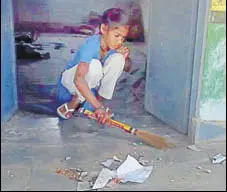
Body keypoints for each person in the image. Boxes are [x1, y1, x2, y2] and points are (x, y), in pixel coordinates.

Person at [56, 8, 132, 124]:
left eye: (123, 38)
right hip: (70, 84)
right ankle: (73, 104)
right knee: (95, 65)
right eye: (117, 36)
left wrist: (125, 58)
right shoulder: (91, 44)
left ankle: (97, 103)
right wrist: (98, 108)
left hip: (89, 87)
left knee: (118, 59)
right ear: (103, 29)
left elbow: (127, 68)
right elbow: (79, 79)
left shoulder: (114, 47)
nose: (120, 41)